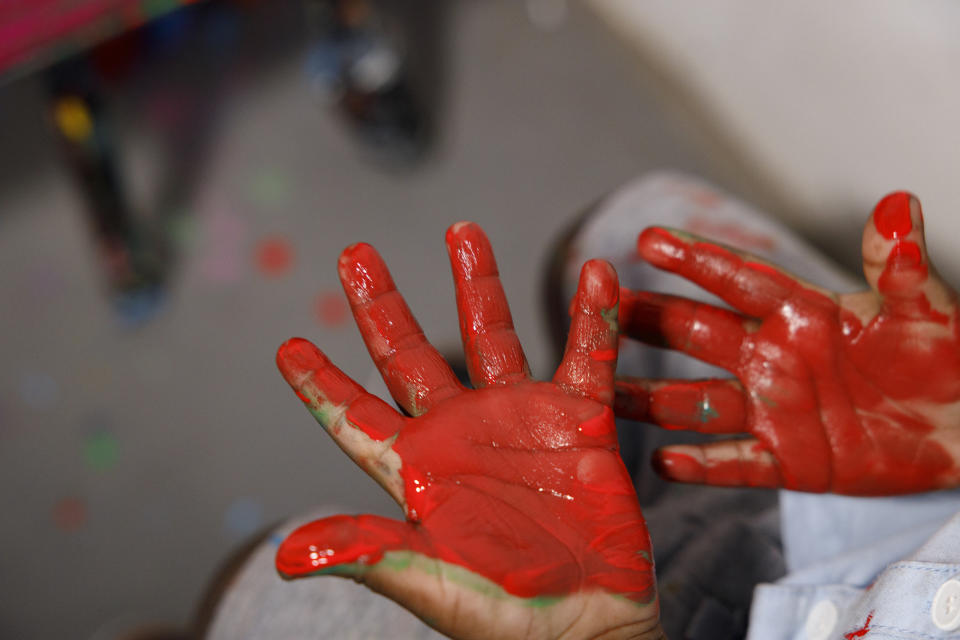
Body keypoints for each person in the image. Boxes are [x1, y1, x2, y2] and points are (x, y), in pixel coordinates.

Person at [204, 174, 960, 639]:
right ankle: (549, 437)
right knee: (623, 237)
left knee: (258, 594)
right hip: (887, 516)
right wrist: (948, 436)